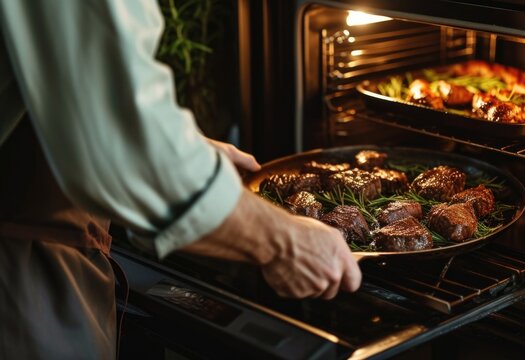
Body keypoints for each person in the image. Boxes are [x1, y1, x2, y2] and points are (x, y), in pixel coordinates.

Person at [0, 1, 361, 358]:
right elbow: (123, 145)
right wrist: (285, 241)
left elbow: (77, 98)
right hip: (20, 272)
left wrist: (188, 154)